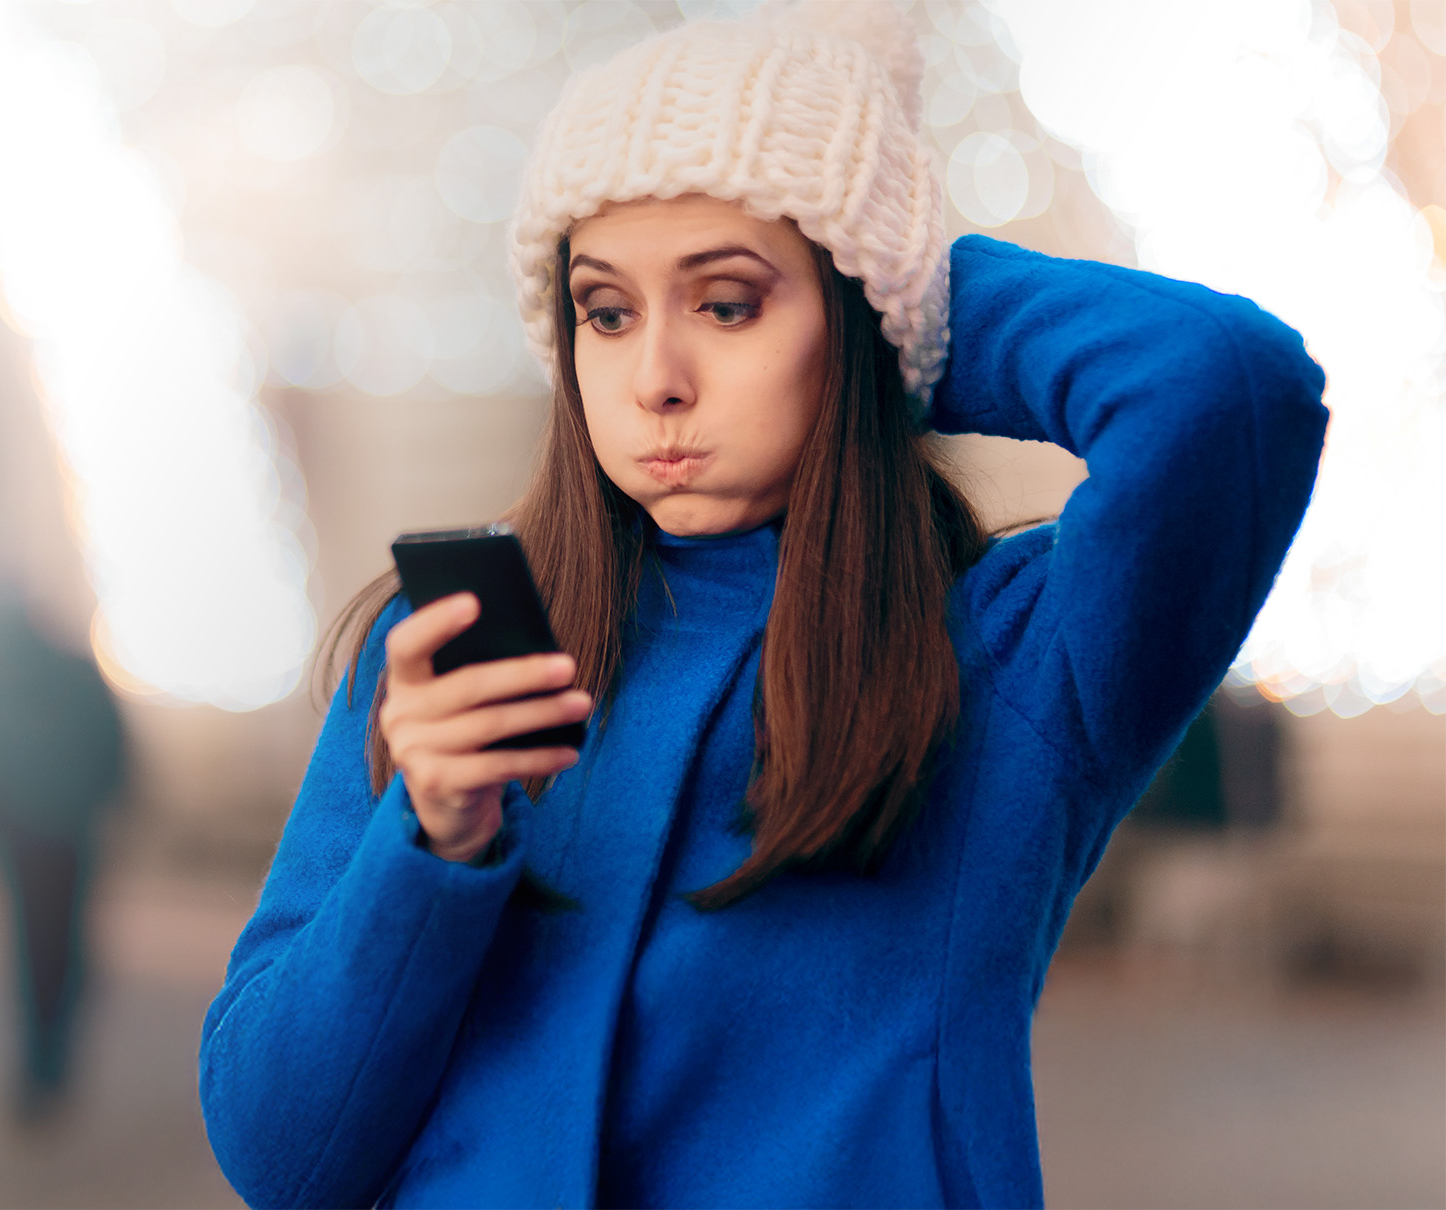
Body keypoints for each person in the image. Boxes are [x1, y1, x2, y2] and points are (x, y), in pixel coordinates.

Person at [196, 5, 1327, 1208]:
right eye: (606, 310)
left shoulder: (1015, 661)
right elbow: (282, 1158)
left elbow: (1225, 389)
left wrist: (904, 302)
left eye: (727, 303)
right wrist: (428, 844)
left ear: (848, 314)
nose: (654, 380)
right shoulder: (452, 653)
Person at [0, 589, 128, 1122]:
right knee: (63, 952)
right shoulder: (65, 675)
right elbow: (113, 749)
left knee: (31, 955)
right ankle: (49, 1060)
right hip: (64, 840)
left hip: (26, 845)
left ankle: (40, 1062)